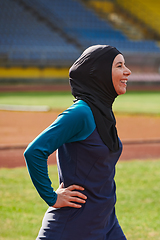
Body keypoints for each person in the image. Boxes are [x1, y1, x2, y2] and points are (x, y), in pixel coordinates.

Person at [24, 45, 131, 239]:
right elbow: (34, 151)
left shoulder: (103, 112)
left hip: (106, 222)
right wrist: (52, 197)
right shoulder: (81, 113)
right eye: (119, 65)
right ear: (100, 73)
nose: (127, 71)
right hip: (73, 226)